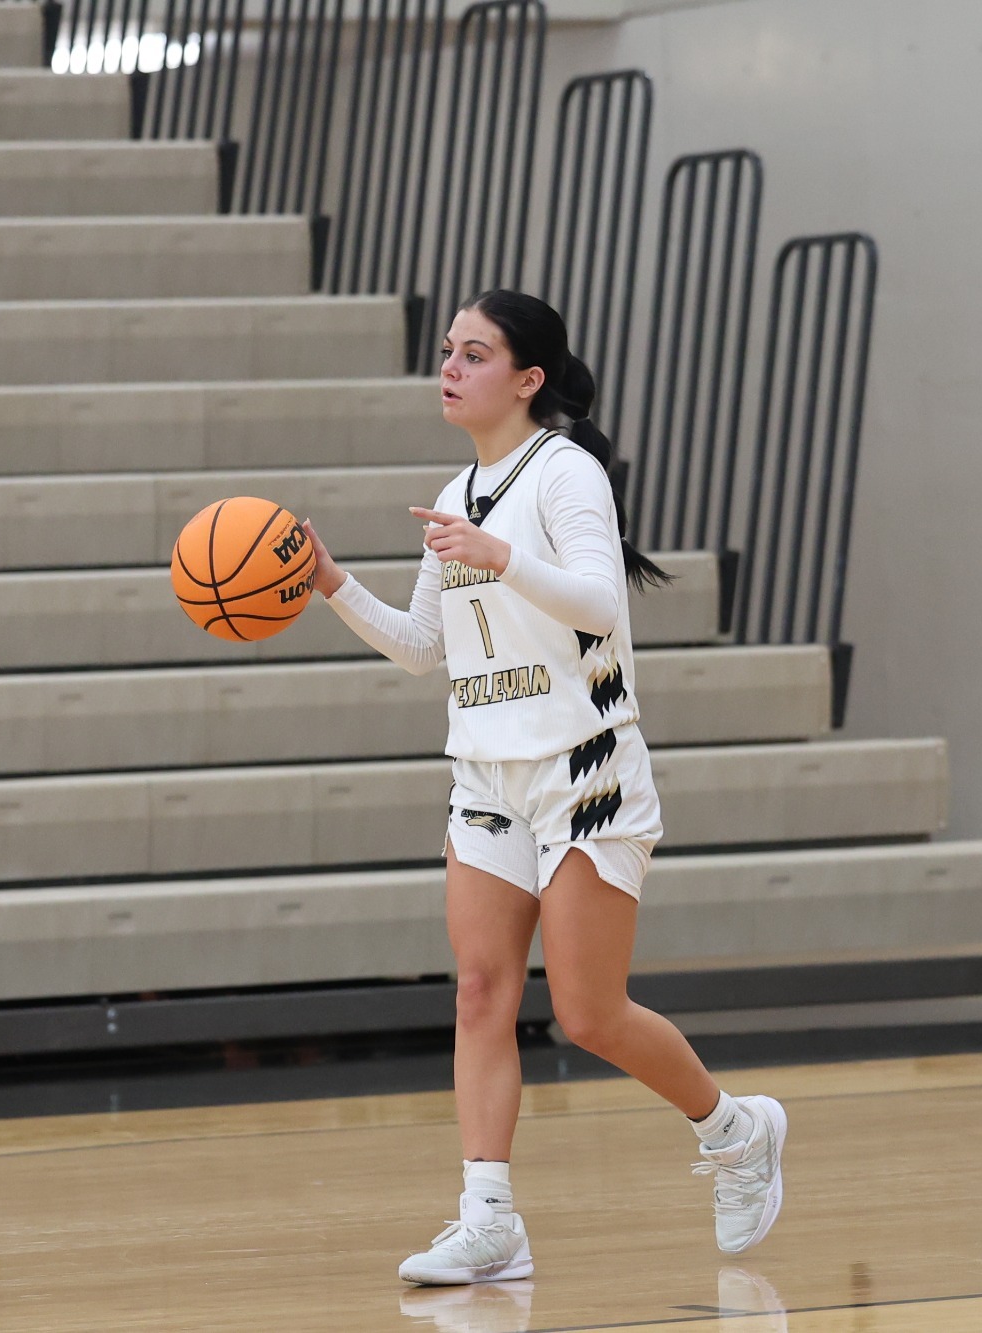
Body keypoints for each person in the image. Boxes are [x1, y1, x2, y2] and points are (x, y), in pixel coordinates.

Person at [301, 289, 786, 1287]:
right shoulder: (457, 489)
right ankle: (489, 1220)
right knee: (479, 991)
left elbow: (603, 605)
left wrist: (501, 556)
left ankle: (734, 1131)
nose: (449, 366)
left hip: (584, 766)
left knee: (587, 1013)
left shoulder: (562, 472)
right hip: (484, 771)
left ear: (526, 377)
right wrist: (331, 582)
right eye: (446, 351)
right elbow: (421, 649)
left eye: (472, 354)